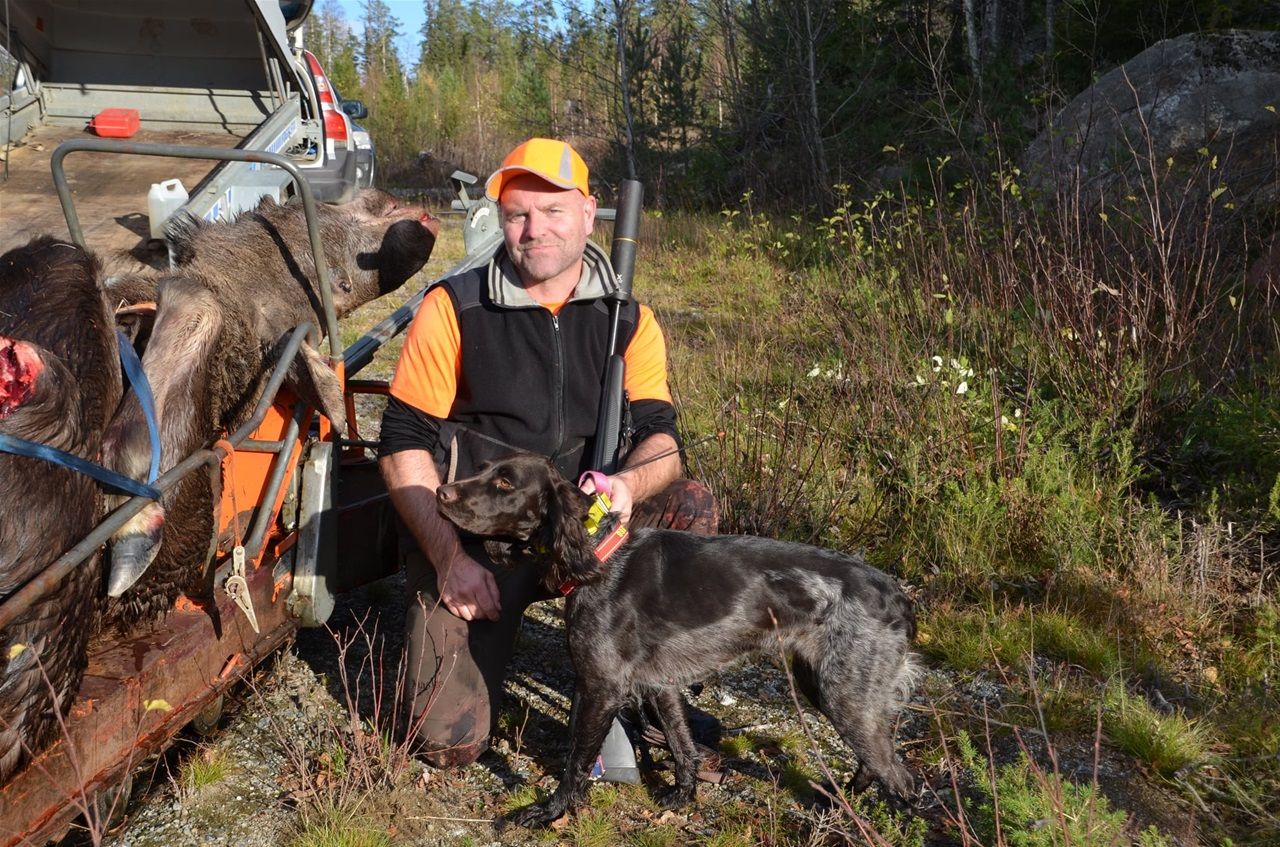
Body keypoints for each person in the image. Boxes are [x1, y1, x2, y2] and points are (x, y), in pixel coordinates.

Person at [378, 137, 718, 770]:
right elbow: (401, 445)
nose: (533, 229)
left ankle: (654, 687)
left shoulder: (629, 319)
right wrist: (449, 558)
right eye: (517, 214)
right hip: (484, 540)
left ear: (589, 214)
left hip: (587, 526)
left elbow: (663, 441)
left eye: (552, 211)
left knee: (689, 504)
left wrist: (626, 486)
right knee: (446, 741)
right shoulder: (454, 307)